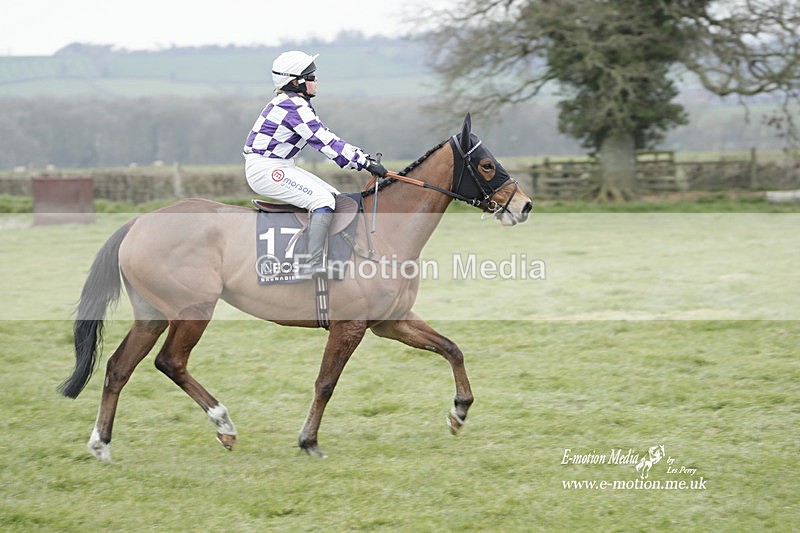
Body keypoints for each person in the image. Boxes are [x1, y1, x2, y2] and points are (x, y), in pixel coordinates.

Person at [243, 50, 387, 278]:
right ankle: (310, 263)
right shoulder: (293, 106)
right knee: (322, 201)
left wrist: (361, 159)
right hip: (266, 169)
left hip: (279, 165)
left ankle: (332, 256)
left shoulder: (294, 103)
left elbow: (325, 137)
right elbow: (323, 140)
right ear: (296, 82)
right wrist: (364, 162)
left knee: (335, 197)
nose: (316, 80)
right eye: (311, 77)